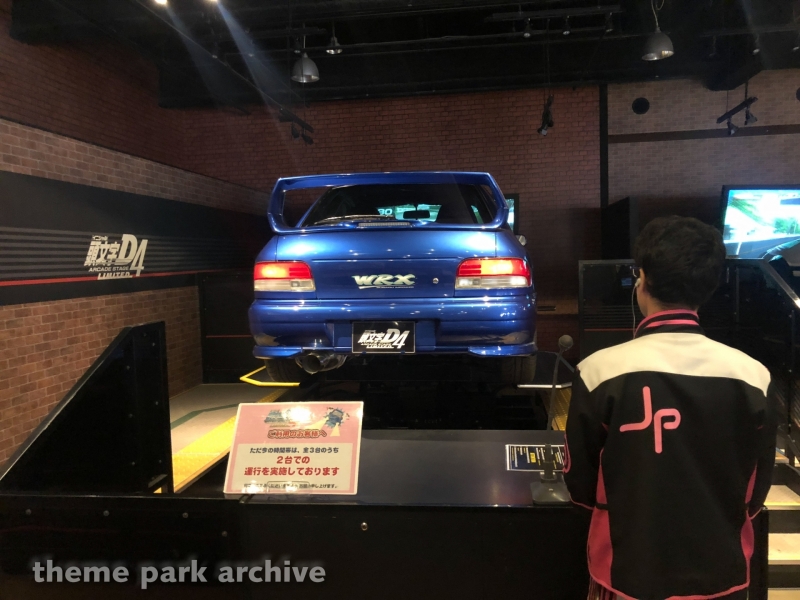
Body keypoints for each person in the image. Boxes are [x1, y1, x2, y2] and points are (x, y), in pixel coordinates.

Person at [564, 216, 776, 600]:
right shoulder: (754, 376)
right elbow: (755, 494)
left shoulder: (598, 371)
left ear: (642, 280)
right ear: (709, 286)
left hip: (626, 572)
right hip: (720, 573)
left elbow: (580, 486)